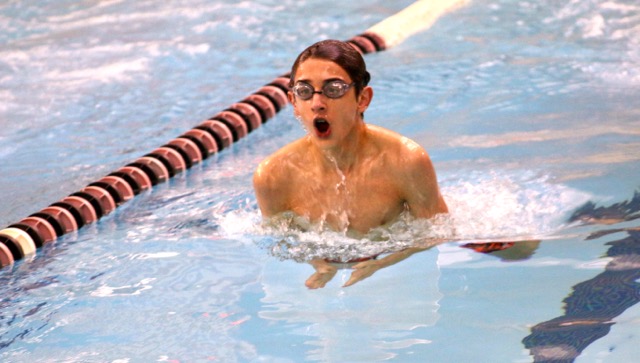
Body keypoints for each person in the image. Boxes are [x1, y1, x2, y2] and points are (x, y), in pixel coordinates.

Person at [253, 39, 448, 288]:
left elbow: (437, 233)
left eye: (333, 89)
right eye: (304, 91)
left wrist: (382, 263)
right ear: (293, 103)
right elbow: (281, 241)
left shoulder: (405, 161)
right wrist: (316, 262)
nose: (317, 103)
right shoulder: (273, 176)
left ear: (363, 99)